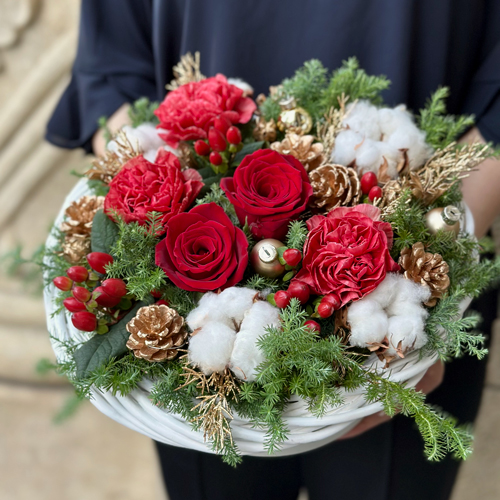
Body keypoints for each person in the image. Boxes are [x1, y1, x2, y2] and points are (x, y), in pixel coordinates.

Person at [45, 2, 500, 499]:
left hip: (414, 275)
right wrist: (143, 181)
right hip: (195, 375)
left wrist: (443, 255)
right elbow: (112, 56)